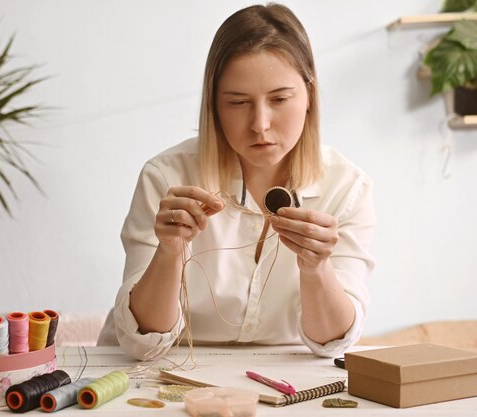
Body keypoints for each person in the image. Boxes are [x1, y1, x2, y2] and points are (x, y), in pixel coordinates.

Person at [97, 2, 375, 360]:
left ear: (310, 95)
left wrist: (317, 267)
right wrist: (169, 252)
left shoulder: (347, 188)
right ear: (213, 104)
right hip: (158, 375)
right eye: (238, 102)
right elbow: (142, 342)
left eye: (279, 99)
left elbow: (332, 343)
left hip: (284, 379)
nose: (260, 124)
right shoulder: (167, 178)